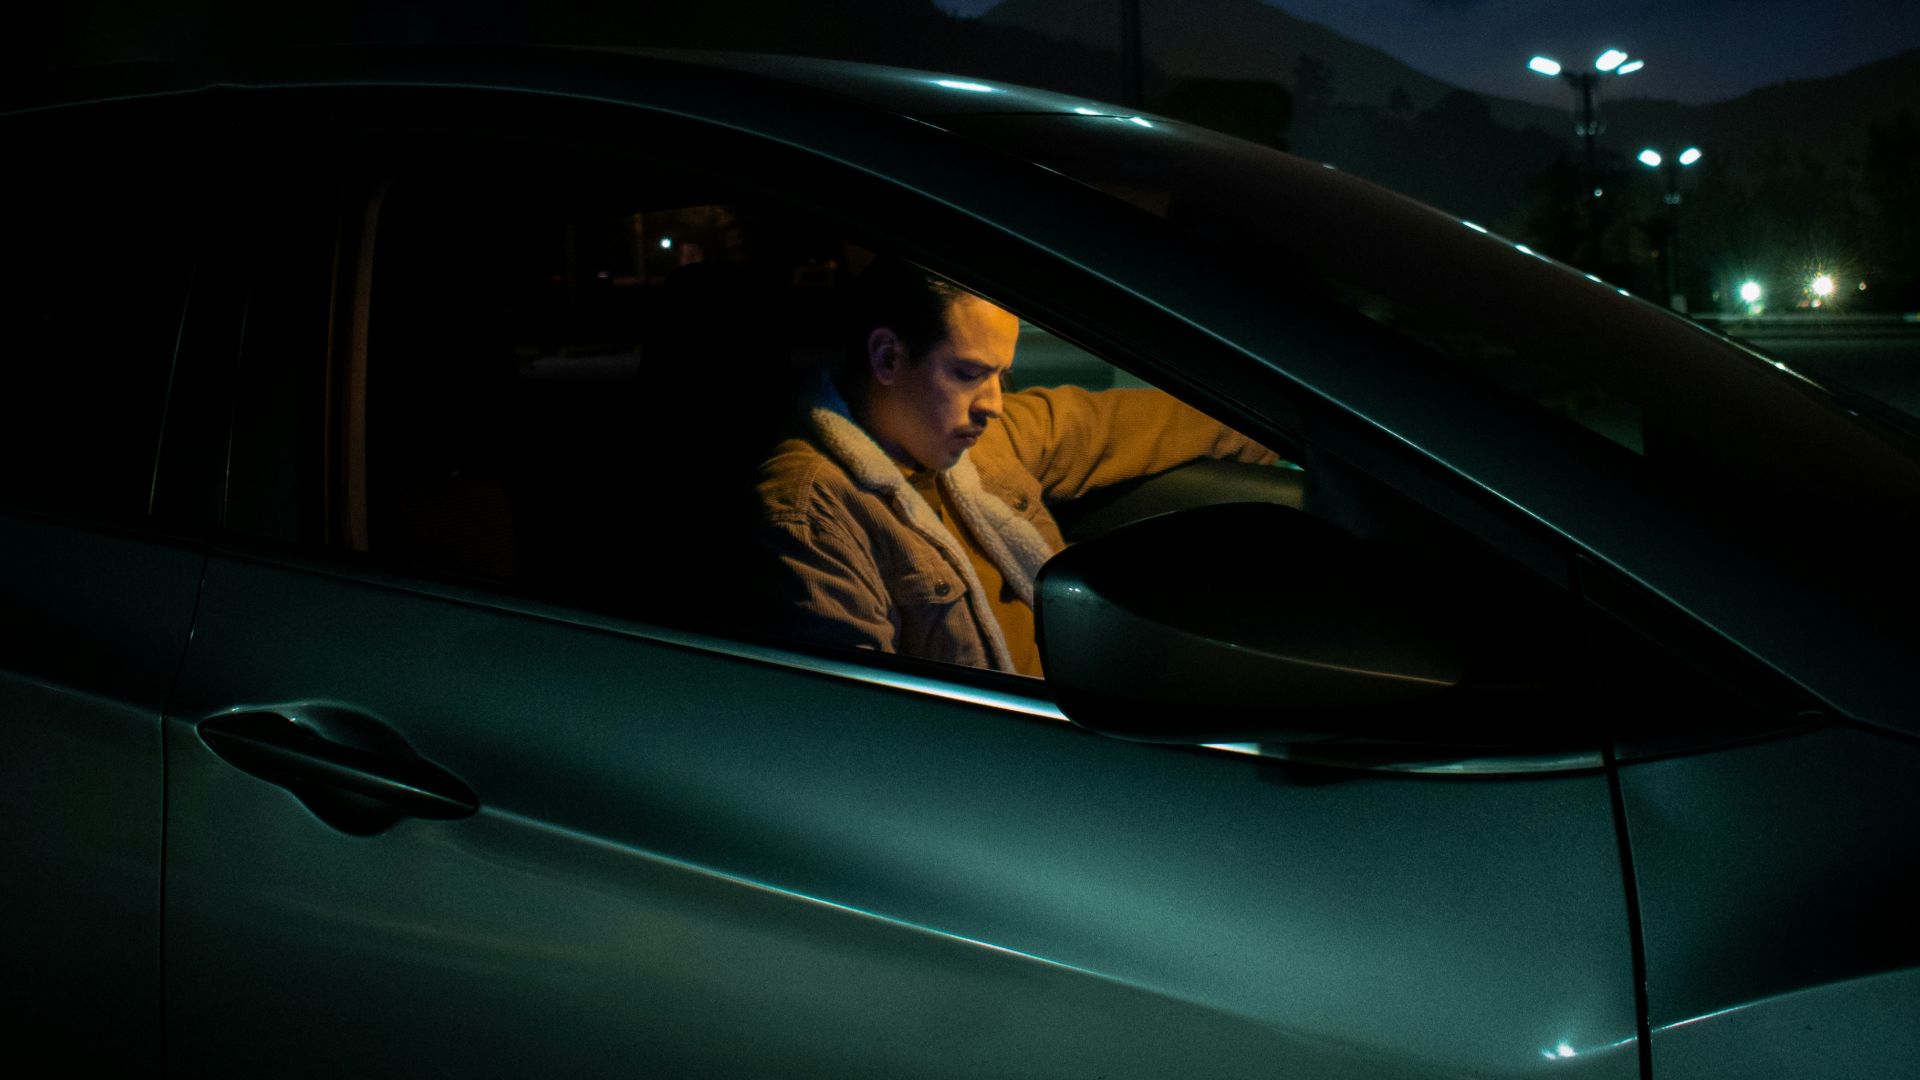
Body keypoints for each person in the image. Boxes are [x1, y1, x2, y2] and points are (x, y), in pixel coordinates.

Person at [754, 259, 1279, 676]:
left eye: (1002, 375)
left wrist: (1298, 426)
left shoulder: (985, 443)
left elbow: (1176, 422)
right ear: (888, 357)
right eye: (968, 373)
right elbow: (868, 722)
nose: (995, 404)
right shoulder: (814, 510)